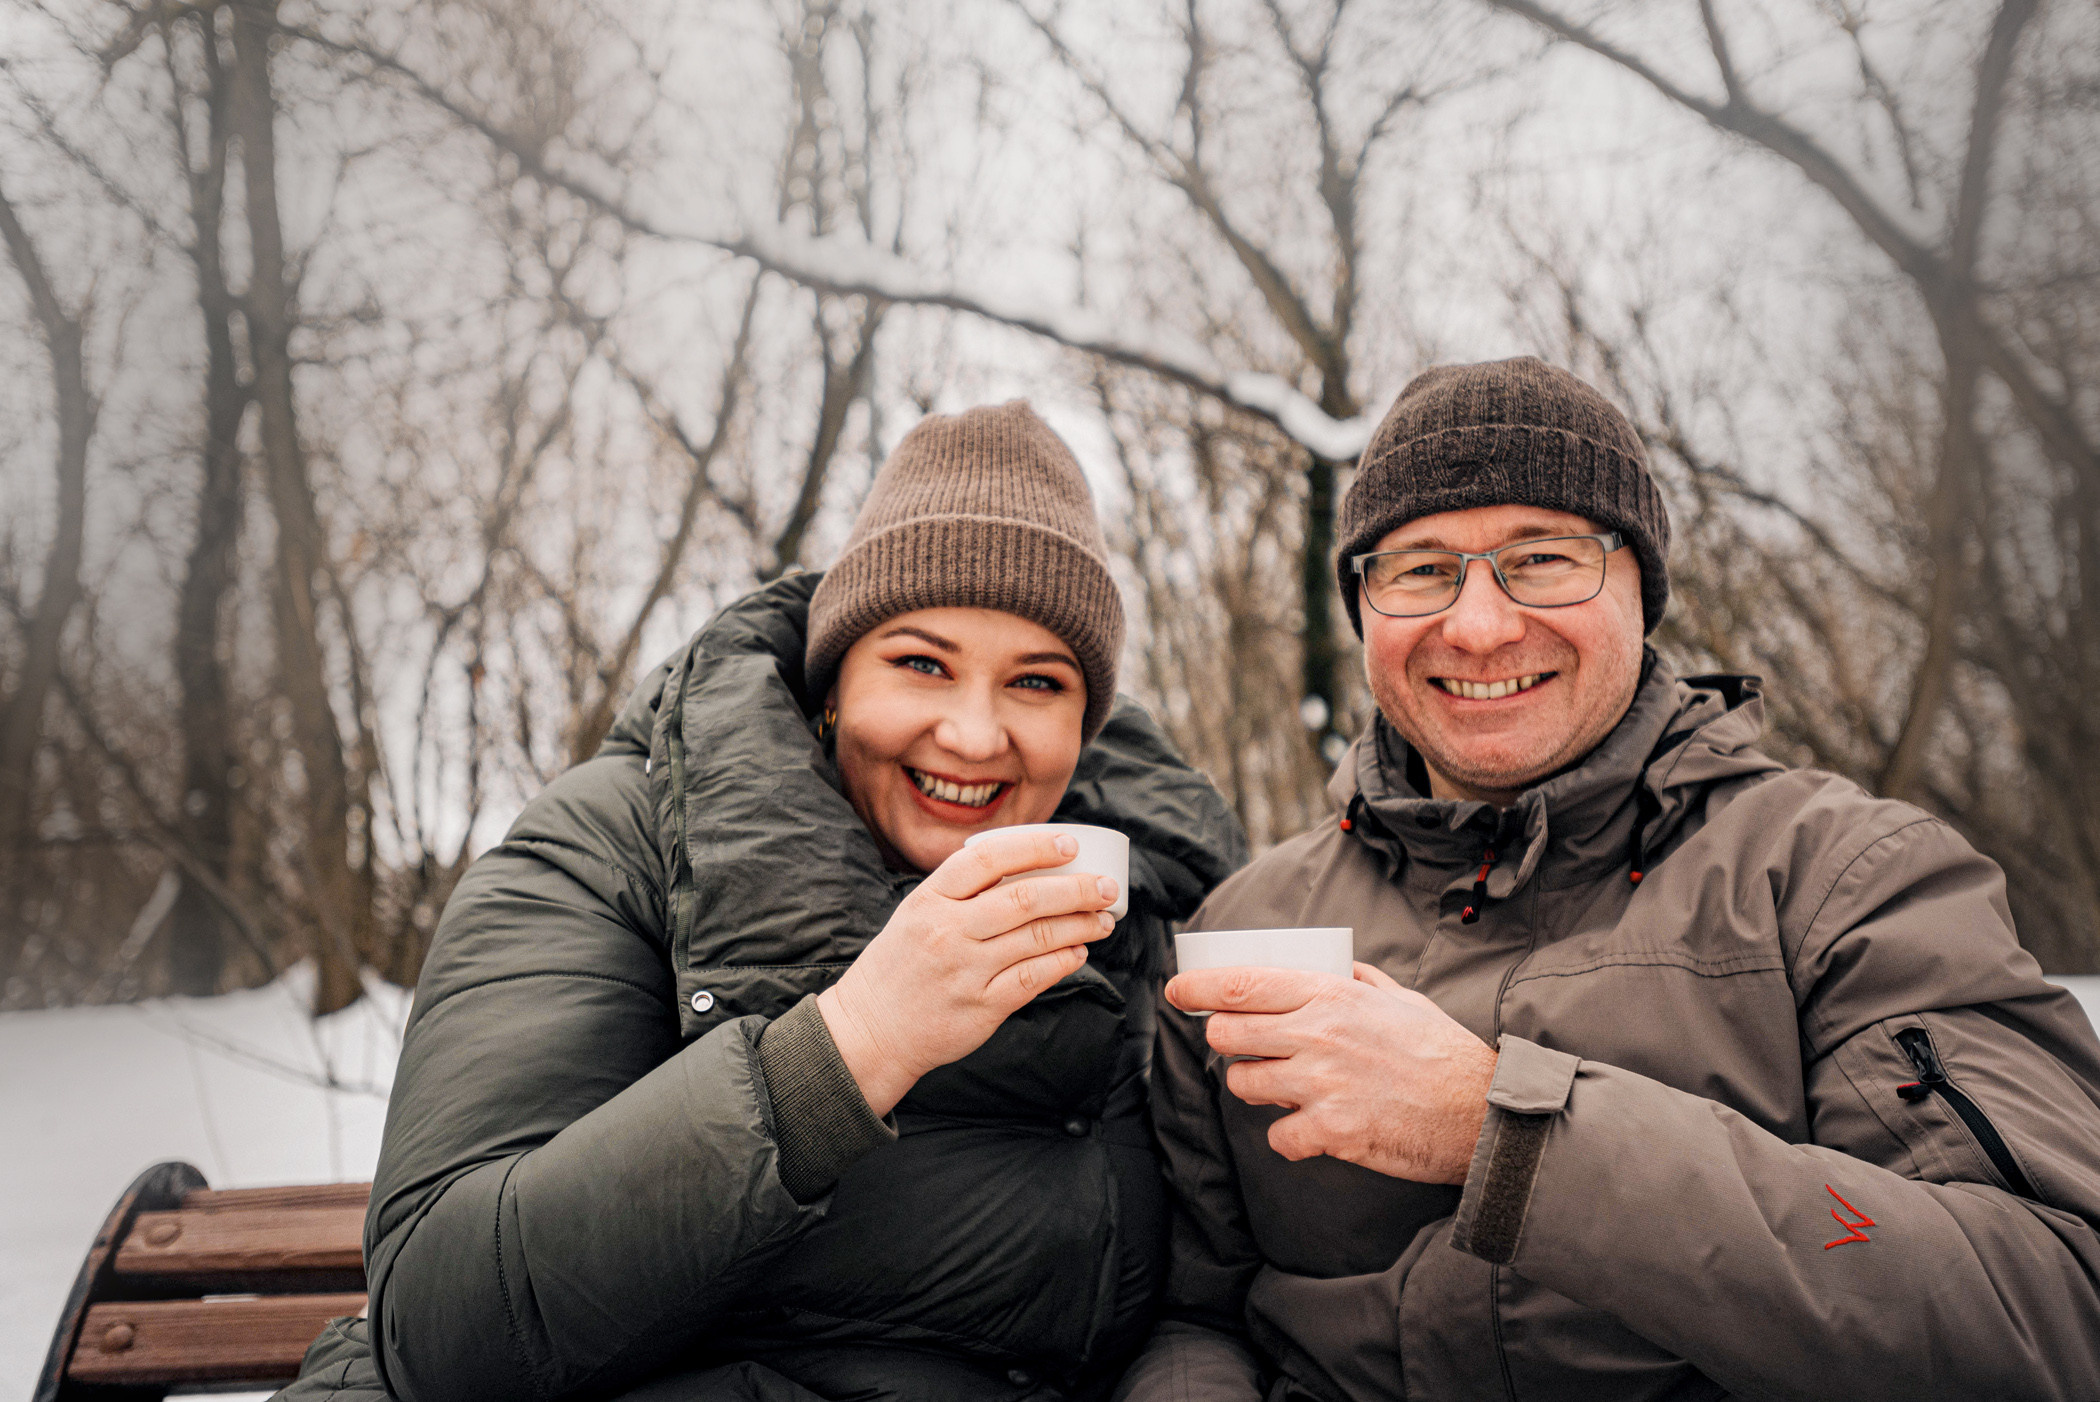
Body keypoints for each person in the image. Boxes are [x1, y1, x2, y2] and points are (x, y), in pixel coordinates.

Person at [1117, 357, 2100, 1401]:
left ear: (1642, 586)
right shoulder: (1249, 924)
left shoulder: (1840, 879)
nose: (1481, 625)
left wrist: (1508, 1132)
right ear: (1364, 609)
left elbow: (2050, 1300)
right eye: (1419, 569)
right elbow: (1193, 1314)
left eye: (1542, 559)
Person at [275, 401, 1246, 1402]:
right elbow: (445, 1331)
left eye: (1036, 682)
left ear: (1086, 726)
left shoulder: (1142, 904)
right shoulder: (615, 847)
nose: (972, 733)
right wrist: (855, 1043)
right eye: (921, 663)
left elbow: (1202, 1303)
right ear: (832, 683)